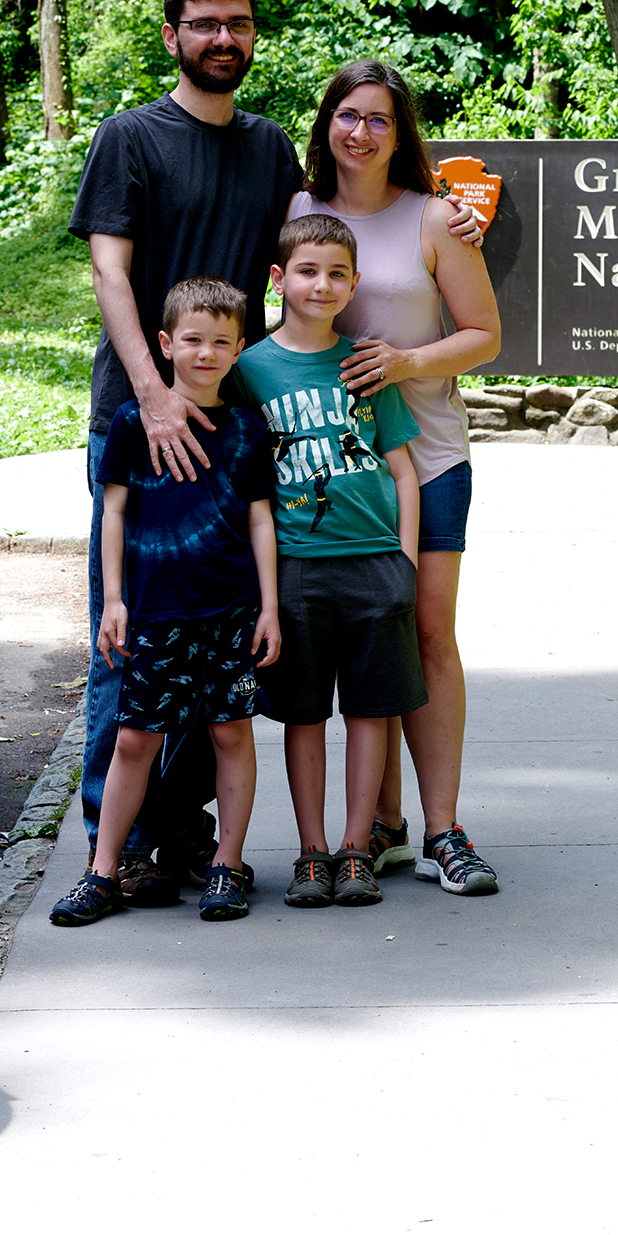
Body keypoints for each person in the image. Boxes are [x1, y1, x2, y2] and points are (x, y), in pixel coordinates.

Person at [68, 0, 303, 901]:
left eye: (238, 23)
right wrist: (153, 396)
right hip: (139, 424)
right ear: (171, 36)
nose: (222, 38)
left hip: (232, 435)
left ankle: (186, 841)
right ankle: (109, 843)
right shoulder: (130, 139)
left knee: (218, 645)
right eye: (204, 23)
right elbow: (111, 278)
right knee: (125, 641)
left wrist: (441, 215)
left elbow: (317, 253)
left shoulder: (271, 148)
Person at [287, 61, 502, 896]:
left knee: (427, 631)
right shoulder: (300, 212)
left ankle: (445, 829)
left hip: (432, 456)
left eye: (379, 119)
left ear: (399, 133)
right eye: (348, 115)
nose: (362, 133)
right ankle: (381, 828)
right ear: (327, 125)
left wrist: (409, 358)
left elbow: (485, 334)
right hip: (329, 471)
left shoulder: (438, 219)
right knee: (358, 640)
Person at [49, 278, 280, 927]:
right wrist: (114, 601)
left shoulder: (245, 430)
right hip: (153, 614)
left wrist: (267, 607)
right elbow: (114, 512)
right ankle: (103, 872)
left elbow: (262, 520)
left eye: (220, 342)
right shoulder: (132, 423)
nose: (205, 353)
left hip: (229, 614)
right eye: (193, 340)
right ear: (165, 344)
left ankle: (226, 867)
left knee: (232, 735)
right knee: (133, 742)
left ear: (239, 349)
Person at [234, 215, 427, 907]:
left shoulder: (367, 363)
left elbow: (403, 472)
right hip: (296, 569)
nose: (323, 284)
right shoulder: (249, 370)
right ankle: (311, 851)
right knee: (305, 715)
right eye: (308, 271)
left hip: (374, 563)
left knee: (372, 712)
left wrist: (404, 563)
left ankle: (355, 849)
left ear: (353, 285)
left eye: (338, 273)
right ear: (279, 279)